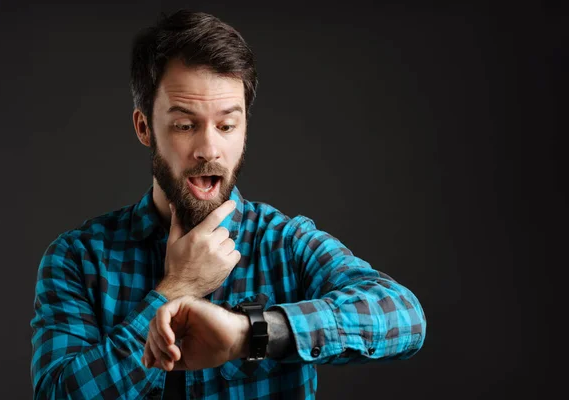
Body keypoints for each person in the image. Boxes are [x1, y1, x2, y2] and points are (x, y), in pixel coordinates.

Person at [30, 9, 426, 399]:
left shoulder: (284, 242)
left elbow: (403, 317)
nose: (208, 149)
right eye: (185, 125)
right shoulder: (77, 259)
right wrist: (175, 288)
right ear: (144, 127)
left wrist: (248, 333)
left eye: (226, 125)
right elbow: (55, 394)